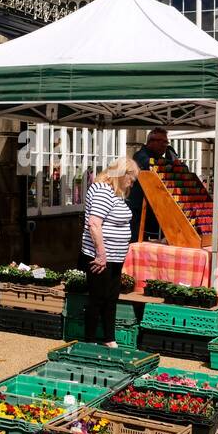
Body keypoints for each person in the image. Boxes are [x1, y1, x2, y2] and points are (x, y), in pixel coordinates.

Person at [79, 158, 139, 347]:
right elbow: (94, 224)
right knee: (97, 298)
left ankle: (108, 338)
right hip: (101, 256)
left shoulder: (115, 192)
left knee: (111, 298)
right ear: (123, 174)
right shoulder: (103, 191)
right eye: (132, 178)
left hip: (114, 256)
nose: (133, 182)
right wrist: (101, 255)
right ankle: (89, 341)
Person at [127, 127, 179, 240]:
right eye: (162, 142)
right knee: (137, 242)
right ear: (151, 142)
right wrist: (171, 163)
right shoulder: (140, 155)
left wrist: (174, 158)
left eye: (166, 142)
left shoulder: (161, 157)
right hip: (139, 209)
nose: (165, 145)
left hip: (154, 210)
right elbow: (151, 165)